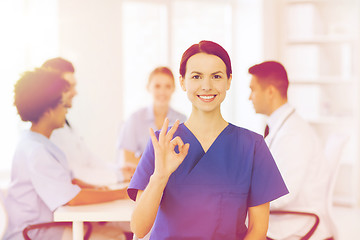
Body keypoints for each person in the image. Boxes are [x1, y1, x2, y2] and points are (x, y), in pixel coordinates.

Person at [127, 40, 289, 239]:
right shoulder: (162, 143)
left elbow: (258, 229)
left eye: (216, 76)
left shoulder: (252, 147)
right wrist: (160, 176)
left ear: (228, 81)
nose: (206, 86)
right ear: (183, 82)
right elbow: (139, 228)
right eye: (196, 76)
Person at [4, 68, 127, 240]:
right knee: (117, 236)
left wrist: (95, 188)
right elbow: (72, 198)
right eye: (63, 104)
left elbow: (69, 182)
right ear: (48, 110)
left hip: (46, 225)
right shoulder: (36, 151)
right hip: (36, 232)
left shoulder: (38, 142)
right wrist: (122, 193)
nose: (67, 109)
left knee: (116, 232)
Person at [248, 61, 332, 239]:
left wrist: (243, 196)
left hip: (295, 225)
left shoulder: (293, 134)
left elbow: (283, 194)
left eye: (253, 90)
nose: (250, 97)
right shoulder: (283, 127)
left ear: (270, 92)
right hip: (288, 218)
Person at [42, 57, 134, 184]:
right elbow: (73, 173)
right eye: (69, 87)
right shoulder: (47, 128)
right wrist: (118, 176)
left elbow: (88, 159)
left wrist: (117, 168)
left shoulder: (66, 122)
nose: (75, 92)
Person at [116, 66, 186, 169]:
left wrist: (142, 160)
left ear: (174, 88)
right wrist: (163, 167)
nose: (162, 92)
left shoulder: (182, 120)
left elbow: (185, 159)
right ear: (148, 87)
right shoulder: (135, 119)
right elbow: (128, 160)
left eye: (167, 86)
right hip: (143, 180)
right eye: (157, 86)